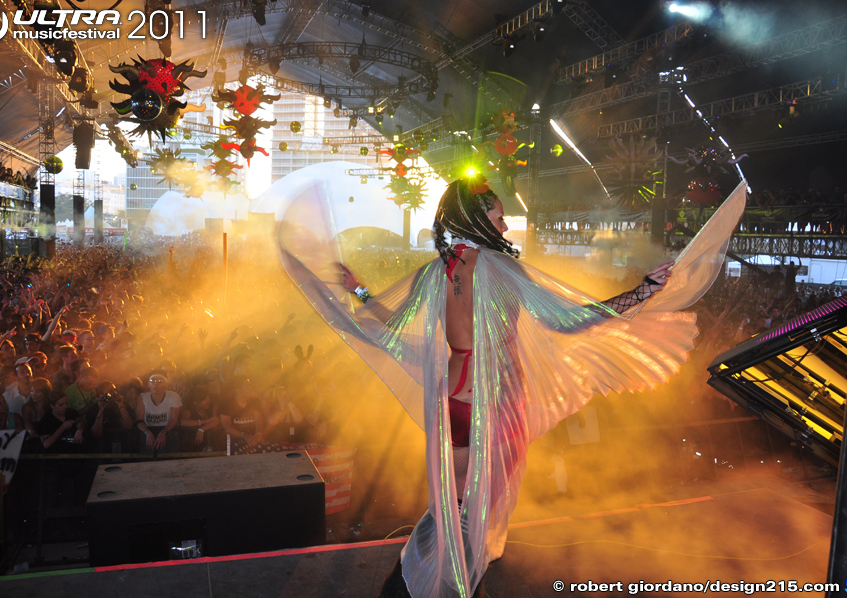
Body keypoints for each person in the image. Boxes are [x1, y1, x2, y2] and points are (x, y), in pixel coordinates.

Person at [278, 176, 747, 598]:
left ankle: (415, 586)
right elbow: (573, 320)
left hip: (454, 406)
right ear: (476, 217)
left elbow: (391, 320)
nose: (504, 224)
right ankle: (446, 588)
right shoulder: (501, 270)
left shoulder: (434, 272)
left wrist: (358, 291)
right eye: (498, 214)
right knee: (474, 518)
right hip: (496, 406)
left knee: (454, 510)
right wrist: (644, 291)